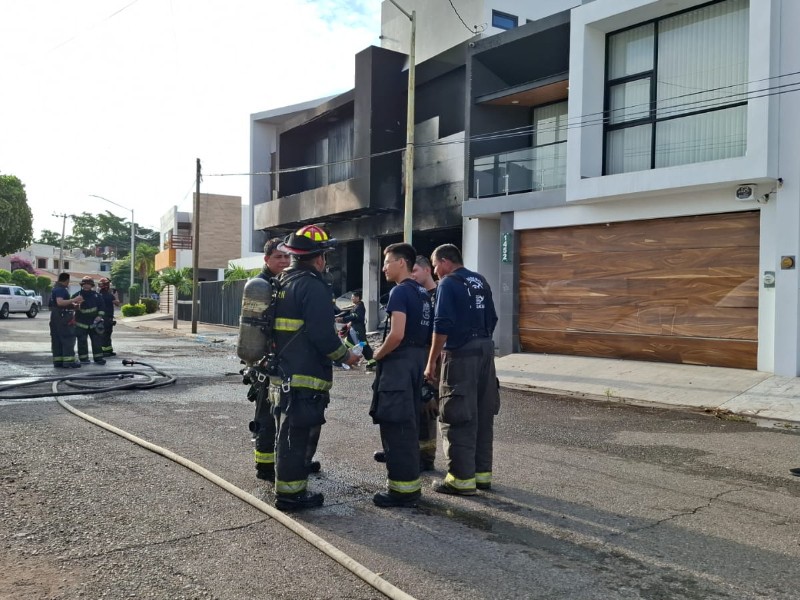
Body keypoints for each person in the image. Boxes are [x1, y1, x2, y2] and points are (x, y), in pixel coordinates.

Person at [270, 225, 359, 511]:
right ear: (319, 258)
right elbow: (322, 335)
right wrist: (346, 357)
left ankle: (291, 486)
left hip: (282, 373)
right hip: (305, 375)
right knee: (297, 435)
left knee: (286, 432)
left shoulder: (282, 281)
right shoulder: (314, 285)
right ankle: (290, 495)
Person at [424, 244, 499, 495]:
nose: (435, 271)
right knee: (481, 413)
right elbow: (493, 318)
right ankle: (481, 475)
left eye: (435, 265)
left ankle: (460, 479)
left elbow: (441, 324)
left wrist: (431, 360)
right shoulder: (480, 281)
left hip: (461, 354)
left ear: (446, 261)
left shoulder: (448, 283)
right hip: (485, 352)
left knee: (457, 413)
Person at [369, 243, 432, 508]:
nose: (384, 267)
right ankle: (409, 486)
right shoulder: (423, 292)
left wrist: (377, 354)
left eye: (387, 262)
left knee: (397, 427)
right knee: (411, 425)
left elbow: (396, 334)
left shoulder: (399, 292)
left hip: (399, 367)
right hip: (417, 362)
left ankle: (402, 492)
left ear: (401, 263)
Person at [248, 237, 290, 483]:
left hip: (282, 358)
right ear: (266, 259)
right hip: (265, 361)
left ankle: (288, 459)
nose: (284, 261)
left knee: (284, 412)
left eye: (287, 257)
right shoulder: (261, 286)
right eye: (278, 257)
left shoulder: (282, 282)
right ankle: (264, 466)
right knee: (266, 413)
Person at [411, 255, 439, 471]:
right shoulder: (416, 295)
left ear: (427, 270)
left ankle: (425, 458)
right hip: (416, 359)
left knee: (427, 409)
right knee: (413, 408)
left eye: (415, 271)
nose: (412, 275)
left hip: (432, 361)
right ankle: (409, 451)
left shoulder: (438, 295)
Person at [335, 291, 376, 370]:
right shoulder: (356, 306)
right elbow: (349, 314)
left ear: (358, 298)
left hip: (358, 330)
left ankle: (372, 361)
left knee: (363, 344)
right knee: (348, 343)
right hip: (354, 329)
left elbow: (354, 316)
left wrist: (343, 319)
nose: (351, 298)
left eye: (353, 297)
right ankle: (340, 360)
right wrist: (339, 317)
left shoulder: (359, 307)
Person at [49, 272, 82, 368]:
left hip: (56, 316)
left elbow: (55, 304)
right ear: (67, 280)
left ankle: (58, 361)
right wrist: (74, 300)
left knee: (57, 339)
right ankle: (69, 361)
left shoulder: (55, 289)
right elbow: (60, 302)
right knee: (68, 338)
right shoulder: (61, 290)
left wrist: (73, 306)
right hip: (63, 316)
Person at [71, 276, 107, 365]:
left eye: (88, 284)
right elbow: (71, 307)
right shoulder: (76, 295)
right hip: (81, 323)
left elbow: (102, 307)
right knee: (82, 341)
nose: (86, 286)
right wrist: (76, 306)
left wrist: (99, 316)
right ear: (82, 285)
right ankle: (83, 359)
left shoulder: (97, 296)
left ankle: (98, 358)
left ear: (91, 285)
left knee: (97, 341)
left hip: (94, 323)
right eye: (85, 284)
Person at [97, 277, 120, 357]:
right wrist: (116, 296)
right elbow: (117, 303)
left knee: (103, 335)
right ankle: (106, 351)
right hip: (107, 318)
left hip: (100, 318)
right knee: (106, 335)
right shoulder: (109, 295)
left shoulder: (98, 295)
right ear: (107, 286)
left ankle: (108, 350)